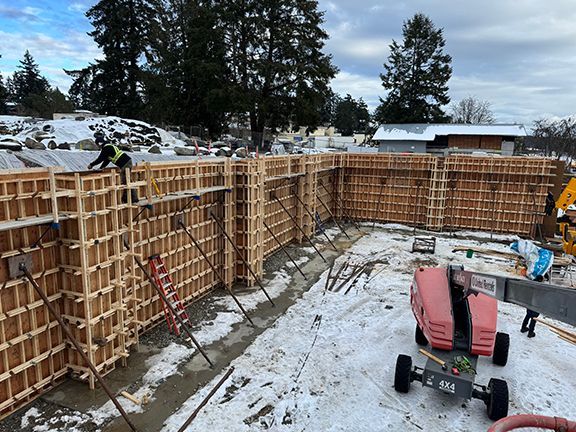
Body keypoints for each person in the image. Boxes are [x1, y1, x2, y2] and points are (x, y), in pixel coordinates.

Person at [87, 133, 138, 203]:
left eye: (97, 145)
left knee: (126, 181)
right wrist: (101, 168)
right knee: (127, 181)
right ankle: (129, 198)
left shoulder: (106, 148)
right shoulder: (109, 147)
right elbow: (107, 160)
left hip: (125, 164)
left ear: (99, 143)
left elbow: (100, 159)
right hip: (126, 162)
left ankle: (131, 199)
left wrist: (91, 165)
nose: (97, 146)